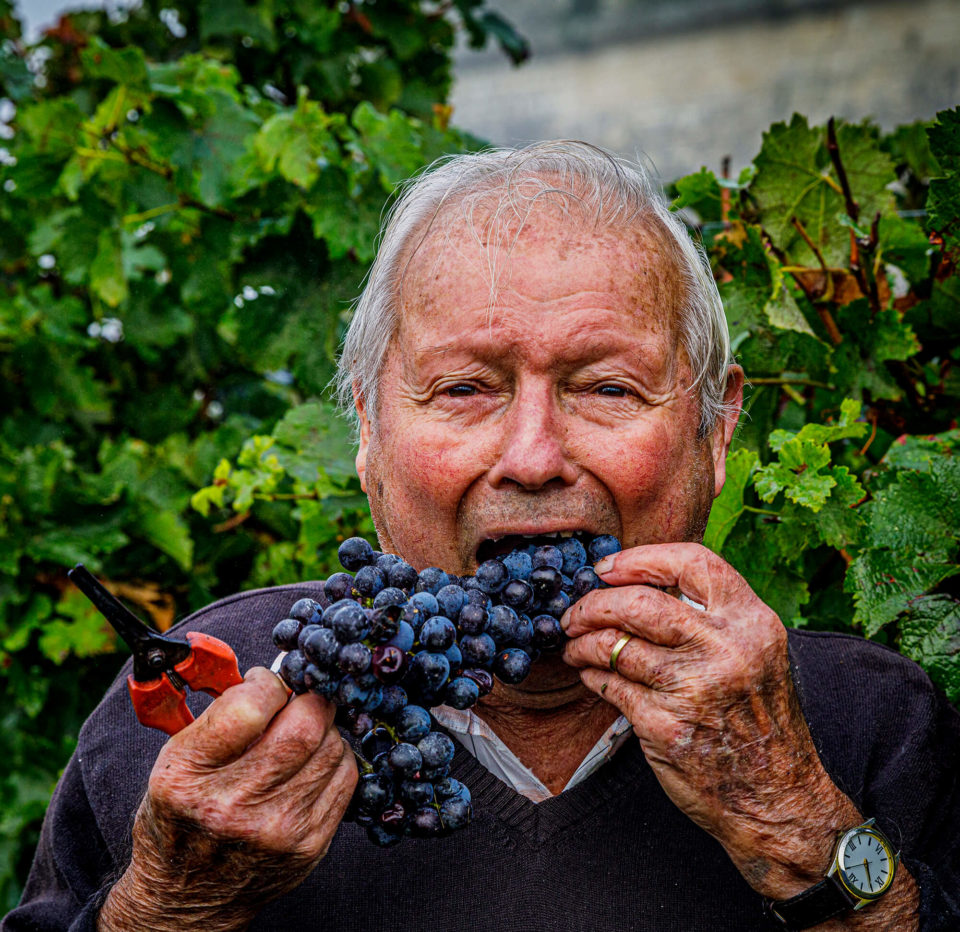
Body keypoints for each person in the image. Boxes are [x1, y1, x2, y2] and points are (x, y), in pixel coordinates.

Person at [6, 142, 959, 932]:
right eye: (464, 389)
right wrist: (170, 907)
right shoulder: (189, 715)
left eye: (607, 388)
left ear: (715, 433)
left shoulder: (870, 725)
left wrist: (797, 828)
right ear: (368, 428)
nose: (533, 457)